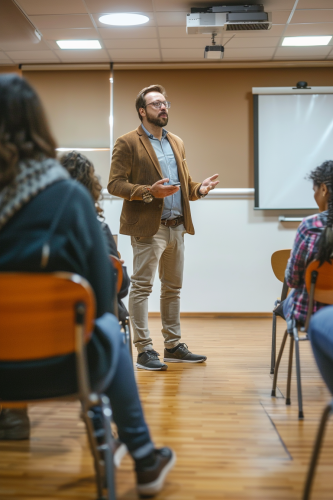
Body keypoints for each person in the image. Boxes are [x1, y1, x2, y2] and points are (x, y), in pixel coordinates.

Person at [0, 74, 175, 497]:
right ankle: (144, 458)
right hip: (65, 367)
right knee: (111, 333)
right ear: (39, 125)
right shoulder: (67, 197)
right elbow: (101, 295)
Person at [108, 84, 219, 371]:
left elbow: (185, 184)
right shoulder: (128, 142)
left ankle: (172, 346)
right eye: (156, 104)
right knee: (142, 288)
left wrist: (200, 189)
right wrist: (148, 191)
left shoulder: (176, 142)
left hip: (177, 226)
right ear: (142, 111)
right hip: (148, 228)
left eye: (165, 103)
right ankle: (144, 350)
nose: (163, 107)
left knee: (172, 288)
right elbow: (114, 184)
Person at [59, 150, 130, 321]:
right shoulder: (100, 230)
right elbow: (121, 287)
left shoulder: (42, 234)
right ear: (92, 188)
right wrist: (116, 269)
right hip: (93, 323)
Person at [277, 160, 333, 329]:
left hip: (308, 313)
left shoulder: (309, 227)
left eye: (314, 190)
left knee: (282, 304)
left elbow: (293, 280)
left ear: (323, 189)